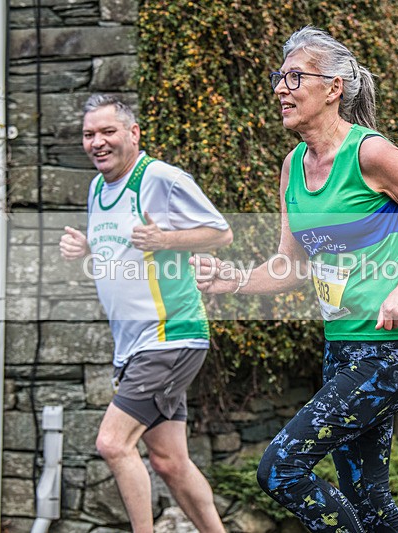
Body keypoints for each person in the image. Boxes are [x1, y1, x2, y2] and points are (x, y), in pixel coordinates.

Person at [192, 26, 398, 533]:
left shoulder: (370, 154)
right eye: (280, 77)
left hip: (392, 348)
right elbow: (290, 265)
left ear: (333, 88)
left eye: (295, 76)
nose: (281, 87)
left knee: (280, 468)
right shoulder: (292, 166)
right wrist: (231, 279)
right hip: (340, 348)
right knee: (370, 504)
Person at [60, 94, 231, 533]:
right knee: (169, 461)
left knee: (113, 443)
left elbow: (221, 232)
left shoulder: (160, 178)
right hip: (135, 345)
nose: (97, 142)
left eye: (107, 132)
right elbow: (117, 253)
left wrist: (166, 241)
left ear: (133, 133)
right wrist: (86, 249)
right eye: (88, 134)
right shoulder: (98, 188)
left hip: (170, 335)